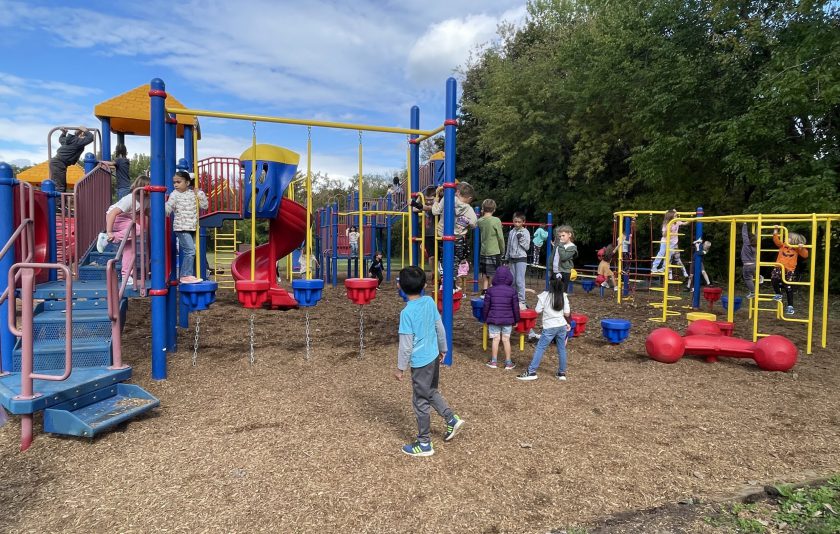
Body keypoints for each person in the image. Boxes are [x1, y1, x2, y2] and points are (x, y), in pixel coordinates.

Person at [394, 266, 465, 457]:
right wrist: (444, 349)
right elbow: (439, 327)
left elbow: (406, 345)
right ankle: (451, 419)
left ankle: (424, 442)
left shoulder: (406, 313)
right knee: (430, 391)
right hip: (433, 356)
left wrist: (401, 368)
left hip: (420, 362)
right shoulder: (429, 301)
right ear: (425, 285)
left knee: (420, 400)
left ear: (400, 286)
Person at [99, 174, 151, 288]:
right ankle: (106, 239)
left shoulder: (147, 200)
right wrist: (109, 232)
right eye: (148, 186)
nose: (150, 189)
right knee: (138, 229)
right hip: (116, 218)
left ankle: (126, 276)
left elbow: (146, 213)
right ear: (141, 186)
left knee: (129, 250)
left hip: (126, 220)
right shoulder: (130, 198)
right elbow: (113, 213)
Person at [517, 277, 571, 381]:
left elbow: (537, 310)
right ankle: (561, 373)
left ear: (550, 283)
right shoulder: (564, 296)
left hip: (549, 326)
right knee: (561, 349)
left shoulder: (544, 296)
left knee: (540, 348)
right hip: (561, 326)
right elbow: (567, 313)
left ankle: (531, 371)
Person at [431, 182, 477, 290]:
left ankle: (443, 282)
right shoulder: (468, 208)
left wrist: (435, 201)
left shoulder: (447, 199)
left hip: (443, 235)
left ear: (457, 192)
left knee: (443, 259)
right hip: (457, 238)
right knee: (455, 261)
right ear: (469, 198)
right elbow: (474, 223)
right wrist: (464, 222)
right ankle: (451, 283)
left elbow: (435, 211)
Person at [165, 170, 208, 284]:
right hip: (181, 228)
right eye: (174, 182)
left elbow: (204, 206)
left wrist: (200, 193)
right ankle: (185, 275)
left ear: (187, 183)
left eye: (179, 182)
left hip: (192, 227)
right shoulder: (174, 194)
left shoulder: (193, 193)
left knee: (194, 251)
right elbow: (168, 208)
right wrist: (161, 207)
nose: (175, 185)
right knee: (190, 251)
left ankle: (191, 274)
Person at [481, 265, 520, 370]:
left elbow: (486, 307)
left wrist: (485, 318)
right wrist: (516, 319)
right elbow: (516, 307)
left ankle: (494, 361)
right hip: (508, 320)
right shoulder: (512, 291)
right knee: (506, 339)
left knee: (495, 339)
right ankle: (508, 362)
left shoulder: (490, 290)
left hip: (494, 319)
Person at [772, 226, 808, 315]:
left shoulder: (796, 249)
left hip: (789, 270)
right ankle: (778, 293)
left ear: (794, 240)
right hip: (779, 267)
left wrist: (801, 247)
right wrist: (775, 231)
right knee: (774, 279)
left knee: (788, 287)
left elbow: (805, 255)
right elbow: (776, 241)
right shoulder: (783, 245)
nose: (785, 238)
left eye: (788, 237)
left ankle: (790, 306)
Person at [50, 127, 94, 192]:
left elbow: (61, 139)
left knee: (61, 186)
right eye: (83, 135)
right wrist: (85, 130)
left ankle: (60, 201)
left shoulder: (70, 140)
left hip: (57, 163)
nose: (84, 138)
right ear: (80, 135)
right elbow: (90, 138)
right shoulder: (77, 141)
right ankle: (59, 202)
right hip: (59, 163)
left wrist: (64, 133)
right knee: (60, 187)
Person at [476, 198, 504, 295]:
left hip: (484, 251)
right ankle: (493, 290)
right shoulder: (496, 220)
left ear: (483, 209)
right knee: (494, 272)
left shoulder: (480, 221)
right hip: (494, 250)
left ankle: (484, 290)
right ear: (494, 209)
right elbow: (500, 237)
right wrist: (502, 250)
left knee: (485, 272)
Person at [651, 209, 689, 278]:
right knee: (661, 253)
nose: (676, 217)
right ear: (671, 217)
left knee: (669, 255)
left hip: (673, 242)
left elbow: (685, 223)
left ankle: (663, 268)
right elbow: (663, 235)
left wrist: (691, 220)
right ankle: (654, 267)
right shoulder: (666, 224)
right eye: (675, 216)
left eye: (676, 216)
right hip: (665, 241)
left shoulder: (677, 222)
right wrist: (668, 229)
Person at [505, 212, 531, 308]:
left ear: (523, 222)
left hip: (521, 258)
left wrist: (521, 239)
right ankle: (513, 299)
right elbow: (509, 245)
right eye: (515, 221)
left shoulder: (525, 232)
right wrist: (506, 257)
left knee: (520, 281)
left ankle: (522, 301)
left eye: (519, 222)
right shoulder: (512, 232)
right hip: (512, 258)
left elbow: (527, 247)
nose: (517, 224)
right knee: (513, 281)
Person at [552, 225, 578, 291]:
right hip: (555, 270)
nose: (561, 238)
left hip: (564, 272)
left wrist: (560, 245)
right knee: (554, 293)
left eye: (563, 235)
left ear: (569, 234)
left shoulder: (572, 247)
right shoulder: (560, 245)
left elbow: (564, 257)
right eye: (560, 236)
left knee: (562, 293)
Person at [741, 223, 757, 299]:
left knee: (747, 278)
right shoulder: (756, 245)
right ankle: (759, 277)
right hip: (754, 264)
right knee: (752, 275)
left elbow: (744, 234)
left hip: (747, 265)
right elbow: (756, 235)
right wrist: (758, 225)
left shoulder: (747, 243)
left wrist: (744, 224)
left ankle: (753, 292)